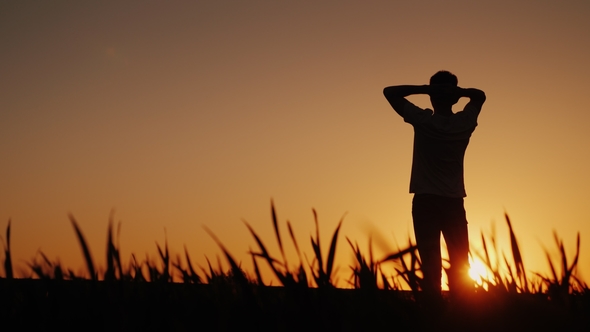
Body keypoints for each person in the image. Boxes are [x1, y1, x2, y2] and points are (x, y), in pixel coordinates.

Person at [383, 71, 486, 300]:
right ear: (455, 98)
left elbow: (390, 92)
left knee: (430, 265)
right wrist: (457, 92)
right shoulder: (464, 123)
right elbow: (480, 95)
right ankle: (462, 316)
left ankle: (433, 313)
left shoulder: (423, 121)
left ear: (432, 96)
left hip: (426, 202)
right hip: (453, 203)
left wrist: (426, 89)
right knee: (460, 263)